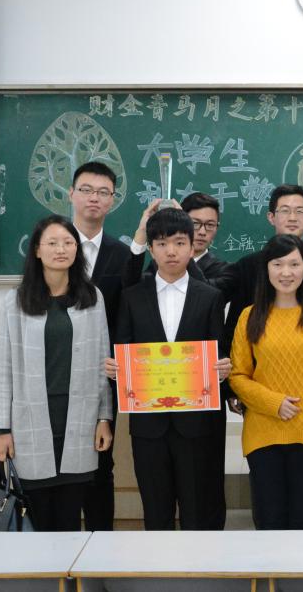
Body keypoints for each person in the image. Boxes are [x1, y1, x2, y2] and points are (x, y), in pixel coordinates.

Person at [105, 208, 232, 530]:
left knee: (196, 510)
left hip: (196, 425)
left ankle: (197, 562)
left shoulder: (211, 297)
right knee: (156, 509)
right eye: (162, 244)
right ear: (151, 249)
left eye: (179, 242)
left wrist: (222, 367)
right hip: (149, 425)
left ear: (192, 246)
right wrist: (116, 369)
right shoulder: (132, 297)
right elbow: (123, 347)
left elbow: (218, 350)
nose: (171, 251)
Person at [0, 215, 114, 531]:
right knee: (39, 518)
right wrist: (2, 429)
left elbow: (103, 363)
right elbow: (3, 369)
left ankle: (69, 567)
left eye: (68, 242)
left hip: (79, 419)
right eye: (52, 243)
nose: (61, 249)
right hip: (30, 421)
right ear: (36, 250)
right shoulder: (15, 301)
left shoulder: (92, 298)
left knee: (70, 518)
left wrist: (105, 417)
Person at [228, 234, 303, 530]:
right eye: (278, 264)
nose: (286, 272)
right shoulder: (249, 316)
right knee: (269, 521)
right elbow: (237, 376)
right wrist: (273, 402)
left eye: (294, 264)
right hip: (263, 434)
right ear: (266, 269)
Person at [67, 161, 132, 532]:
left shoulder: (122, 255)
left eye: (103, 192)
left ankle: (100, 542)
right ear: (71, 194)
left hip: (103, 376)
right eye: (86, 190)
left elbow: (125, 316)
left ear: (112, 200)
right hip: (56, 374)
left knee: (100, 462)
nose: (94, 198)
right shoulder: (51, 246)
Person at [219, 184, 303, 343]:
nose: (292, 217)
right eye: (285, 210)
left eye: (300, 211)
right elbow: (234, 326)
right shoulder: (247, 265)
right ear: (271, 217)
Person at [122, 191, 228, 285]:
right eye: (195, 223)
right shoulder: (159, 264)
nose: (202, 232)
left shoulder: (223, 270)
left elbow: (206, 292)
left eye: (210, 225)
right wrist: (141, 231)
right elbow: (131, 287)